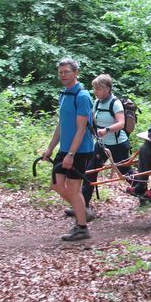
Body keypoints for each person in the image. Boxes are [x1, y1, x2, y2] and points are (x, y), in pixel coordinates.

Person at [64, 74, 131, 221]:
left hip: (118, 145)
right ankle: (83, 206)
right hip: (101, 145)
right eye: (94, 88)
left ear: (107, 89)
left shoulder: (116, 103)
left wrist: (106, 130)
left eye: (98, 89)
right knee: (90, 172)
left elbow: (121, 124)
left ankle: (142, 193)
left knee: (126, 171)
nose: (95, 91)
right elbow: (92, 119)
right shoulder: (97, 102)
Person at [42, 59, 94, 241]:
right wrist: (50, 148)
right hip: (65, 148)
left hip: (80, 149)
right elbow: (61, 125)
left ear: (76, 73)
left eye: (66, 72)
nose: (63, 75)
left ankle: (82, 227)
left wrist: (71, 154)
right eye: (60, 72)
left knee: (73, 188)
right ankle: (82, 210)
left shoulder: (82, 96)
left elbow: (81, 129)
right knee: (56, 184)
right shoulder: (64, 94)